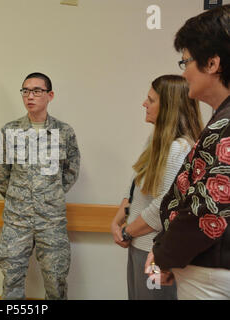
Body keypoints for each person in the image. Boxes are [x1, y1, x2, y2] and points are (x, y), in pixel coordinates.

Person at [146, 5, 230, 299]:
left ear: (212, 64)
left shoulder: (226, 125)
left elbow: (208, 210)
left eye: (187, 62)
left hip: (212, 275)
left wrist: (164, 255)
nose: (186, 73)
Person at [111, 75, 203, 300]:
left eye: (151, 100)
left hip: (155, 254)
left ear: (169, 107)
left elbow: (164, 205)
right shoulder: (156, 140)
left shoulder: (179, 149)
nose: (144, 104)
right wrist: (118, 220)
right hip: (138, 246)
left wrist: (127, 231)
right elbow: (136, 182)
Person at [0, 72, 80, 299]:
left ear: (50, 95)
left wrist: (49, 194)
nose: (30, 96)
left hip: (51, 221)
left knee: (56, 281)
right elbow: (2, 173)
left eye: (37, 91)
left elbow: (71, 171)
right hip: (17, 220)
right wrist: (19, 197)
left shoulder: (64, 132)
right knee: (11, 279)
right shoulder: (9, 131)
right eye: (25, 91)